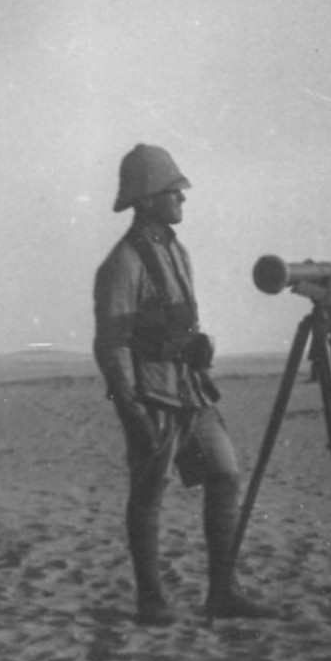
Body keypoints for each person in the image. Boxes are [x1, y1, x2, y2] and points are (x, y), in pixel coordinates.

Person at [92, 143, 274, 626]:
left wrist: (198, 345)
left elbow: (178, 321)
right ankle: (151, 600)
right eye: (174, 192)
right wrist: (131, 408)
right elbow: (112, 344)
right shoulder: (122, 264)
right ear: (148, 199)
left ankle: (222, 591)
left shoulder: (177, 252)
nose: (182, 201)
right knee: (150, 493)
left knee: (225, 474)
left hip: (190, 390)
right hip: (151, 394)